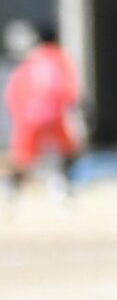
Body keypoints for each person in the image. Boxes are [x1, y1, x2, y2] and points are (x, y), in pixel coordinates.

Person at [3, 21, 79, 195]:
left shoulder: (31, 59)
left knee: (23, 155)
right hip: (54, 113)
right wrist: (70, 104)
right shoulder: (59, 58)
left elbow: (16, 88)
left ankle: (12, 188)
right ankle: (63, 183)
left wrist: (17, 111)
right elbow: (67, 87)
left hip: (30, 114)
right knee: (67, 150)